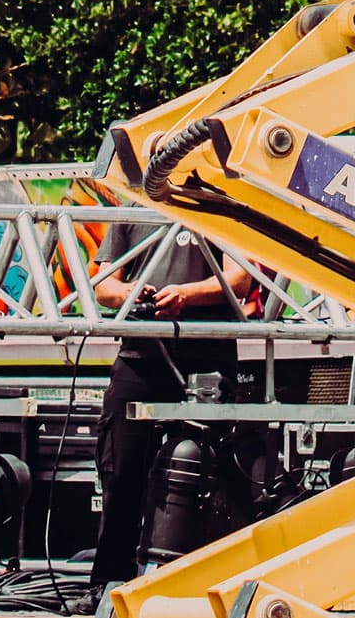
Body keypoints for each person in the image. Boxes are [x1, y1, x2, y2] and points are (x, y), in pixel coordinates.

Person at [88, 215, 246, 593]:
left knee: (217, 470)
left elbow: (239, 279)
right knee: (121, 472)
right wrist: (133, 294)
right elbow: (103, 286)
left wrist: (185, 295)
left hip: (208, 352)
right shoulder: (133, 208)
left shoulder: (216, 203)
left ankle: (215, 582)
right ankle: (109, 584)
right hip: (141, 353)